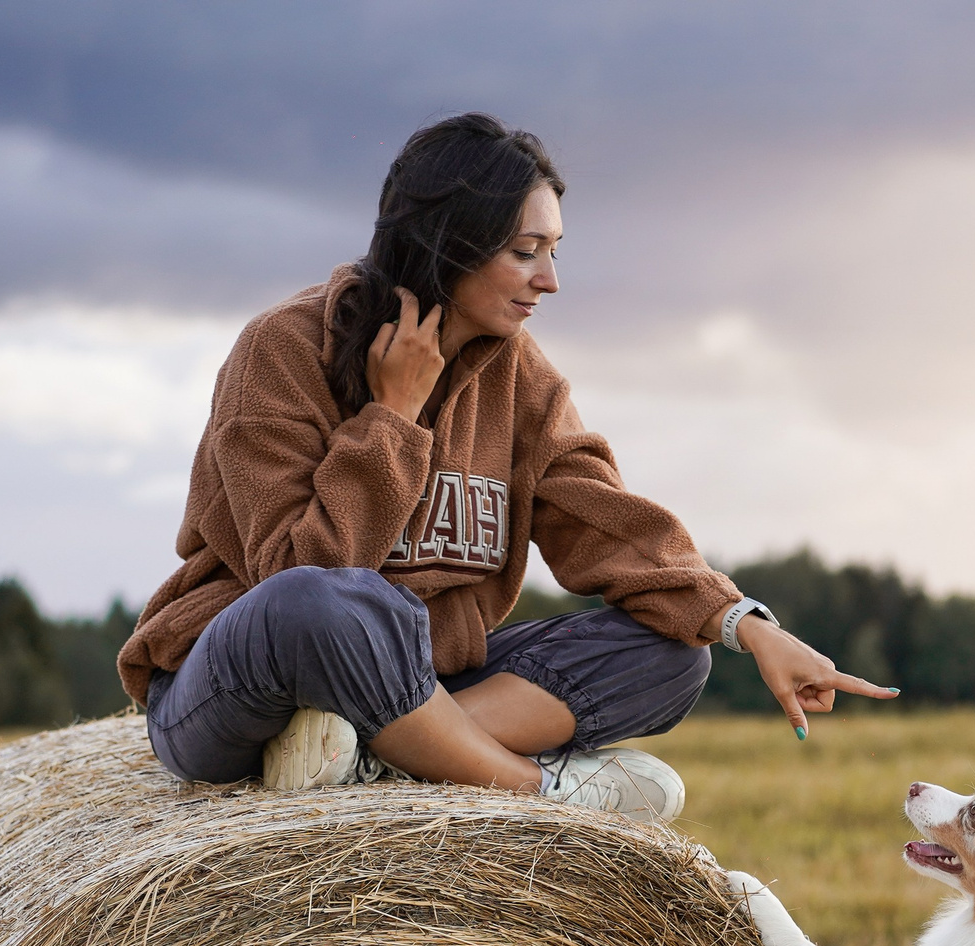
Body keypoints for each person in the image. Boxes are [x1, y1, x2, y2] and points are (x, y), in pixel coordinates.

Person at [116, 112, 892, 822]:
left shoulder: (520, 376)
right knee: (317, 601)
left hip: (420, 681)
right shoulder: (280, 351)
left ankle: (385, 764)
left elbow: (601, 514)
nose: (549, 280)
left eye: (553, 253)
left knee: (673, 652)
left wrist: (745, 625)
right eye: (526, 253)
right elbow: (299, 570)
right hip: (239, 693)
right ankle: (536, 792)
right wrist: (393, 416)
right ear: (448, 243)